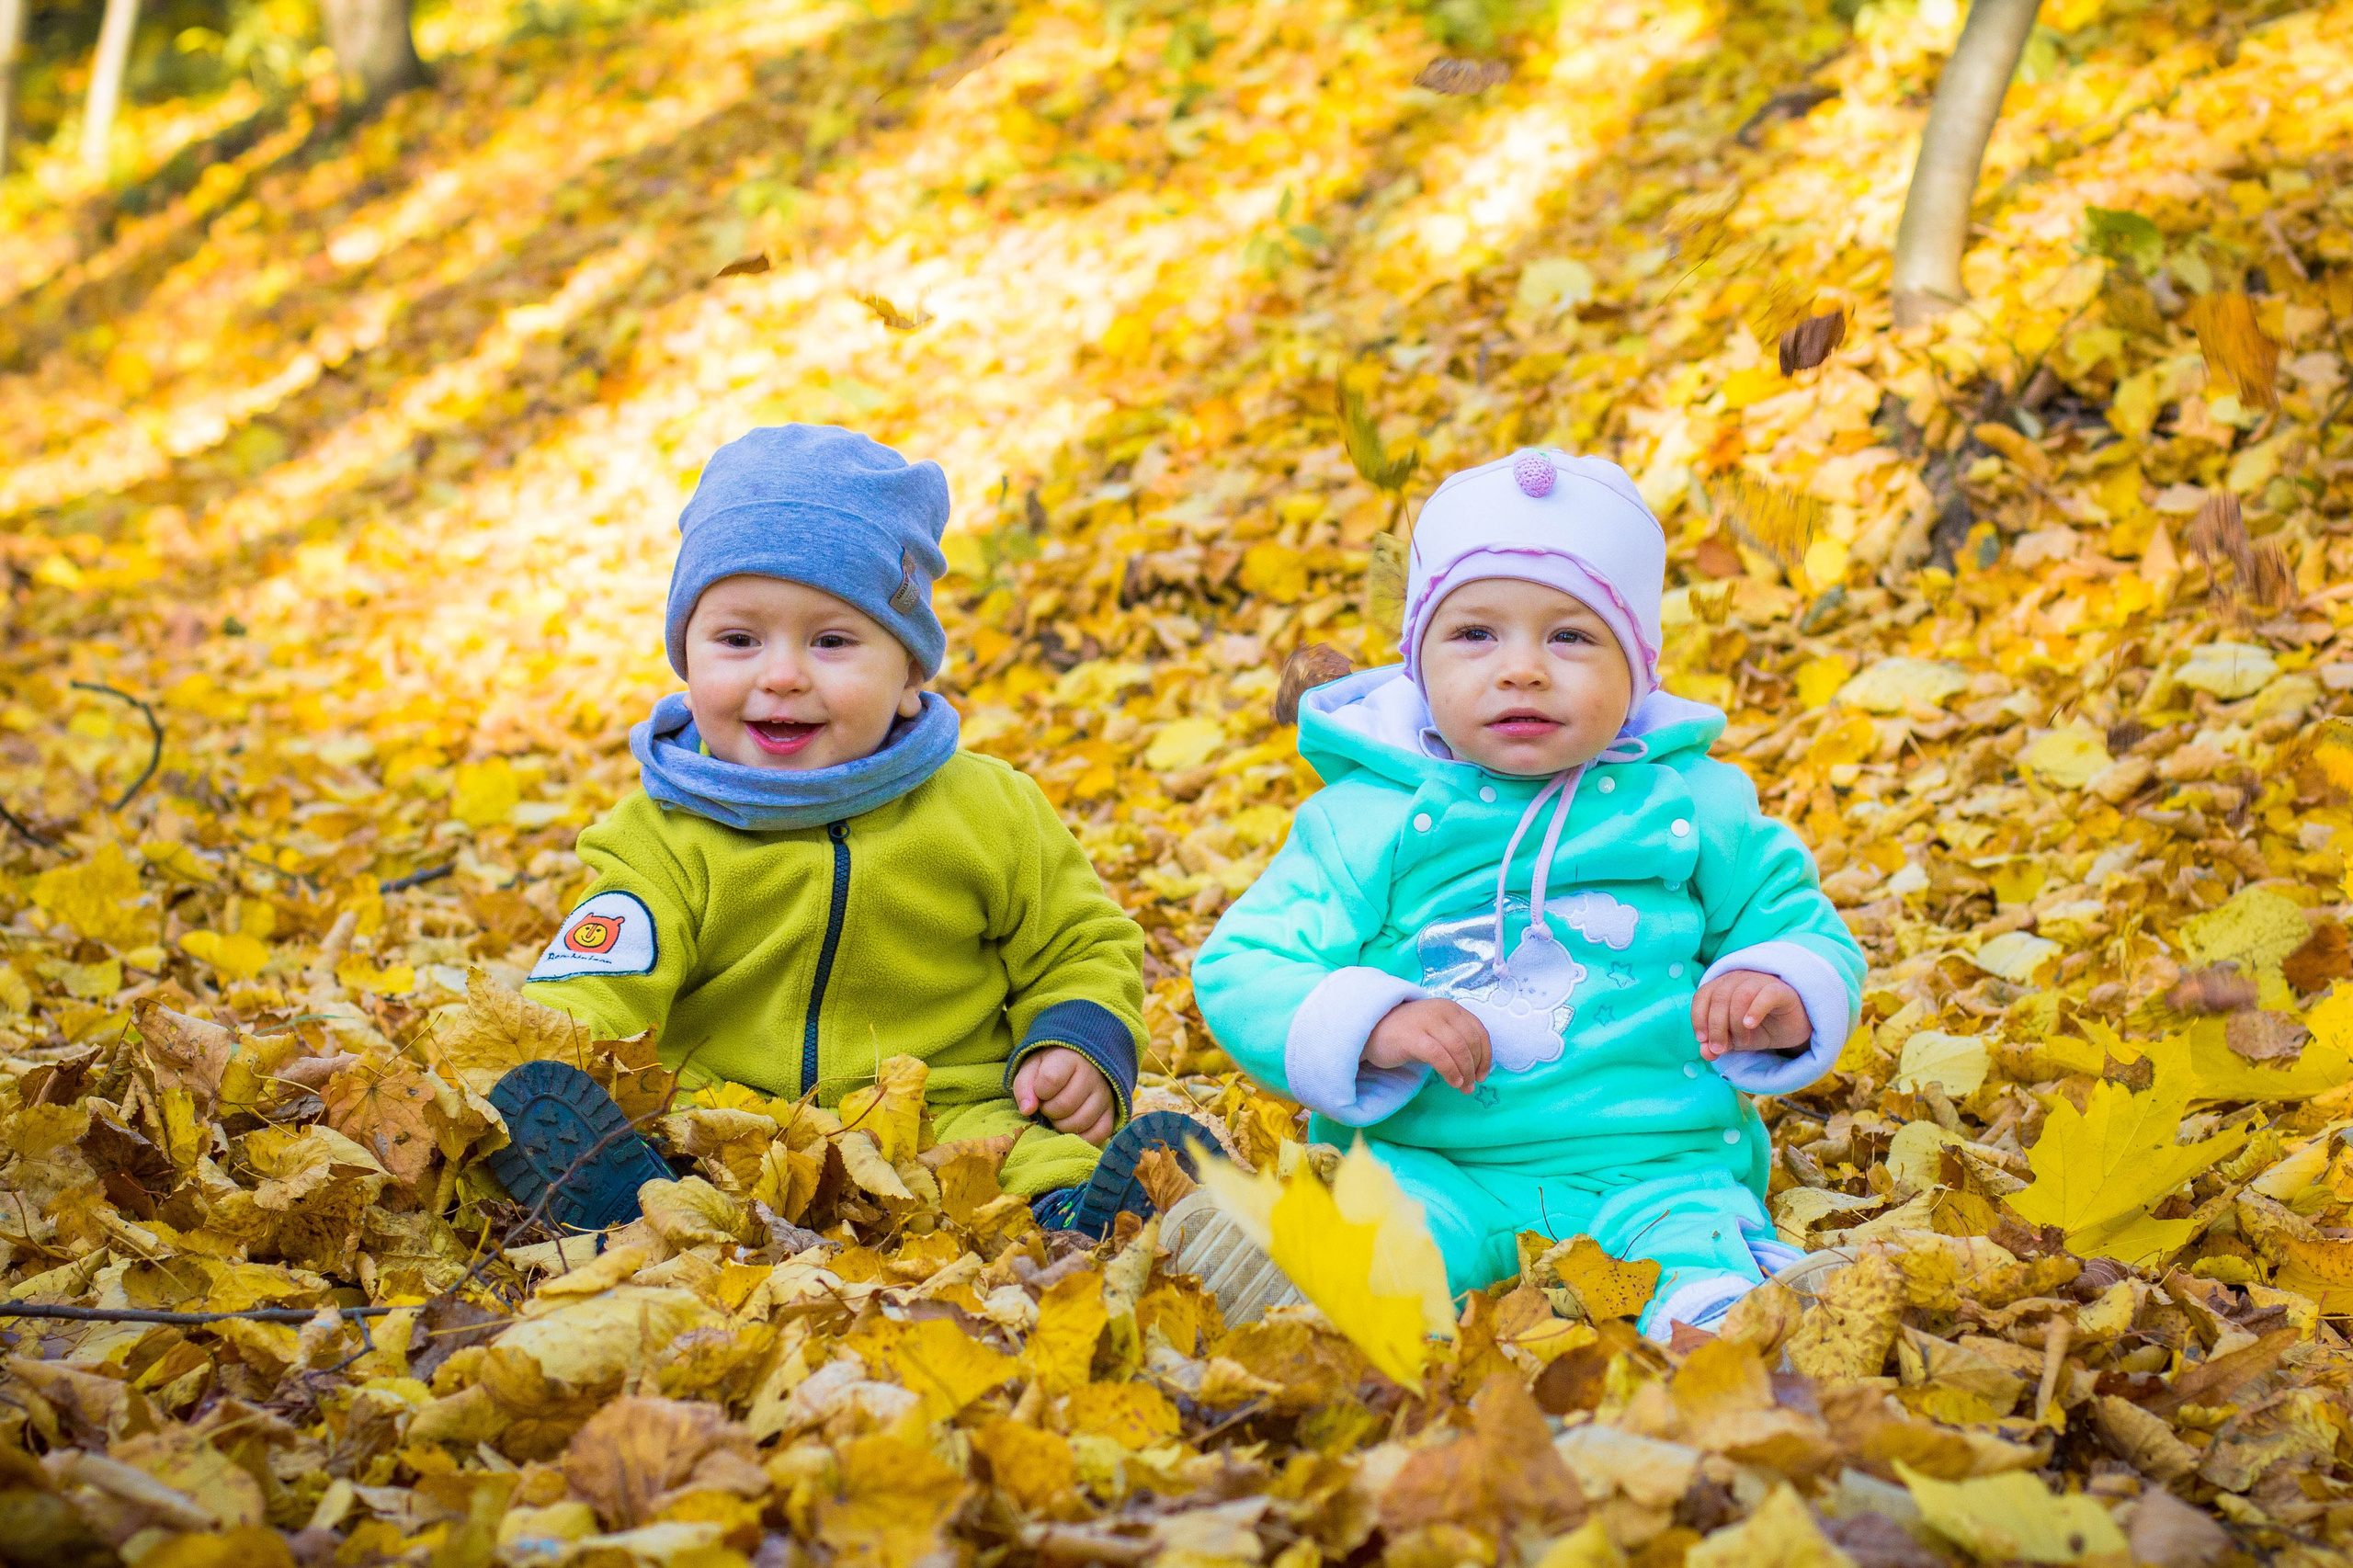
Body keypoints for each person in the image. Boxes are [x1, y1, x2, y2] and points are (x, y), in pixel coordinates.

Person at [1188, 448, 1866, 1338]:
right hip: (1431, 1157)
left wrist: (1781, 984)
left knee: (1695, 1250)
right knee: (1384, 1247)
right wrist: (1370, 1018)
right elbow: (1246, 961)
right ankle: (1306, 1285)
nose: (1522, 669)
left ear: (1638, 669)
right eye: (1474, 634)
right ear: (1416, 660)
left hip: (1652, 1159)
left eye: (1571, 636)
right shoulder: (1369, 814)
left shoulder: (1693, 800)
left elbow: (1797, 923)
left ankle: (1734, 1312)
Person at [489, 424, 1193, 1238]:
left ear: (909, 676)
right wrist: (559, 1064)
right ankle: (620, 1195)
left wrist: (1075, 1039)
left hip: (943, 1108)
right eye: (738, 640)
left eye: (831, 641)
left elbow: (1079, 942)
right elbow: (596, 981)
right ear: (686, 656)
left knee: (1027, 1152)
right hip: (733, 1119)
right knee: (676, 1150)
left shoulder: (988, 811)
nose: (781, 675)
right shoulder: (662, 835)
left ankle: (1088, 1214)